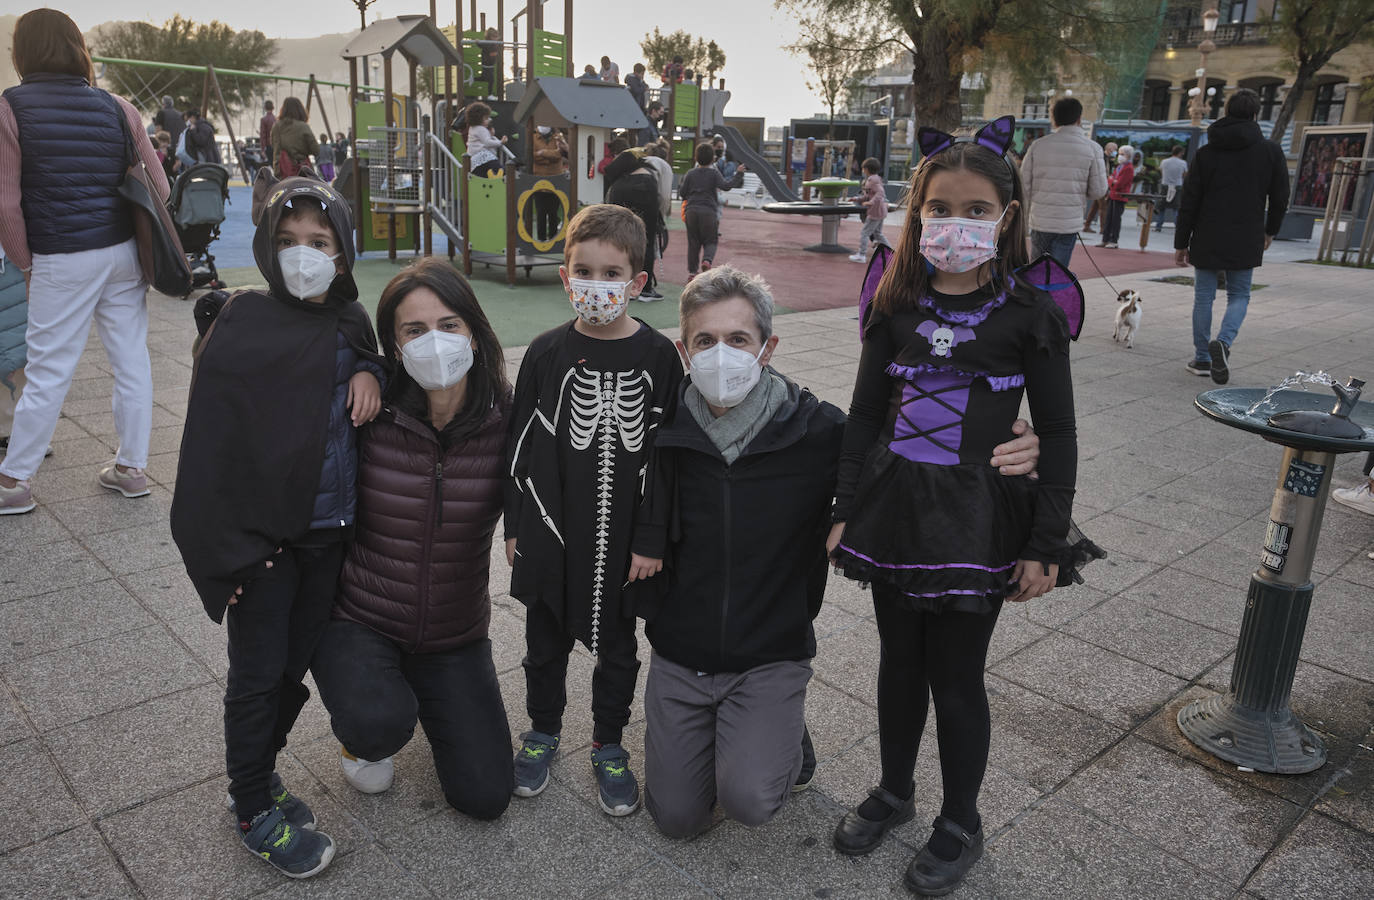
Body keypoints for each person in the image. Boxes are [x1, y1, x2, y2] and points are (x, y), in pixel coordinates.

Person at [827, 121, 1077, 896]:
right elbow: (865, 414)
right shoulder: (894, 302)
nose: (955, 222)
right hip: (897, 510)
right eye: (940, 207)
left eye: (975, 208)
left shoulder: (1030, 313)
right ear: (917, 212)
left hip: (978, 518)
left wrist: (1044, 541)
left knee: (957, 676)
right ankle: (895, 791)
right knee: (898, 661)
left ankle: (960, 819)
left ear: (1005, 217)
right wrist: (844, 505)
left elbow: (1060, 429)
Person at [170, 178, 383, 878]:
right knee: (258, 675)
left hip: (327, 535)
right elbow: (210, 448)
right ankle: (251, 802)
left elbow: (367, 370)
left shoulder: (353, 323)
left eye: (319, 244)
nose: (303, 256)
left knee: (292, 668)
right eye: (288, 242)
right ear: (265, 248)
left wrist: (372, 372)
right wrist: (226, 556)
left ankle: (257, 773)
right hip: (262, 548)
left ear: (344, 253)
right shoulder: (242, 323)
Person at [641, 266, 844, 837]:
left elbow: (896, 462)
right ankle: (730, 731)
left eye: (738, 340)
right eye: (705, 341)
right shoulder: (663, 431)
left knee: (749, 801)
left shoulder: (815, 429)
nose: (721, 354)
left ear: (767, 347)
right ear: (684, 350)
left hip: (769, 651)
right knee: (678, 819)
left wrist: (1017, 440)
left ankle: (781, 735)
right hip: (682, 651)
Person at [311, 258, 514, 819]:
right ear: (394, 348)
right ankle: (369, 723)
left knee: (485, 796)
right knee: (378, 723)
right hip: (361, 617)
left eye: (449, 325)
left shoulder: (508, 418)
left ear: (474, 331)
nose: (435, 341)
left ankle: (423, 697)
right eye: (414, 330)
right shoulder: (367, 413)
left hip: (454, 631)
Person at [504, 204, 683, 817]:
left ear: (637, 282)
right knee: (544, 638)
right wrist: (515, 525)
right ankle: (543, 730)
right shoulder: (546, 352)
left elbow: (666, 455)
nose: (597, 285)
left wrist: (653, 537)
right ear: (565, 275)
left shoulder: (661, 358)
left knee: (620, 647)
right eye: (585, 270)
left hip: (629, 538)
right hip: (554, 528)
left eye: (613, 273)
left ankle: (609, 741)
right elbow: (520, 445)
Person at [0, 8, 166, 515]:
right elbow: (157, 186)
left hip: (60, 255)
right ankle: (131, 469)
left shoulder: (9, 107)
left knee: (49, 368)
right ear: (79, 49)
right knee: (131, 360)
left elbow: (5, 202)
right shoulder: (119, 107)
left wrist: (26, 265)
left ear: (22, 52)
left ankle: (14, 482)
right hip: (122, 255)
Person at [1176, 88, 1288, 384]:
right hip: (1246, 233)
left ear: (1226, 112)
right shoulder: (1271, 151)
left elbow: (1190, 200)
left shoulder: (1206, 152)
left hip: (1207, 233)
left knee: (1204, 297)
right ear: (1255, 114)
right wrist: (1270, 230)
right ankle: (1223, 343)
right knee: (1239, 295)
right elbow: (1280, 198)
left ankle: (1201, 358)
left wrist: (1180, 242)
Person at [1020, 97, 1107, 267]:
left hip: (1041, 219)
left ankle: (1036, 294)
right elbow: (1098, 191)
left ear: (1054, 118)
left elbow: (1023, 184)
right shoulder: (1092, 148)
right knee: (1058, 273)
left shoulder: (1038, 146)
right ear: (1079, 119)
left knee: (1037, 270)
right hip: (1069, 222)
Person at [605, 144, 666, 300]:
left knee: (619, 240)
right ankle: (645, 289)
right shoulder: (648, 172)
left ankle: (618, 281)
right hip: (646, 193)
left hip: (620, 196)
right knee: (646, 240)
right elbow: (663, 198)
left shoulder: (619, 180)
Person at [679, 142, 745, 279]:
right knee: (711, 240)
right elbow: (726, 186)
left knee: (693, 242)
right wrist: (738, 174)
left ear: (696, 158)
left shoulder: (690, 174)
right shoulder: (714, 173)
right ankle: (707, 260)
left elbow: (683, 193)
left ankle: (692, 272)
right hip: (708, 211)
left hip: (691, 211)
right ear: (713, 159)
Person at [529, 125, 568, 242]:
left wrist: (542, 153)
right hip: (538, 180)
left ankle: (553, 238)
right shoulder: (532, 137)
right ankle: (541, 239)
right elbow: (532, 156)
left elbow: (559, 154)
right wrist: (551, 155)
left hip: (555, 180)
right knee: (541, 211)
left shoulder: (558, 137)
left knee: (553, 212)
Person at [851, 157, 890, 263]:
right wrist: (857, 199)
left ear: (867, 169)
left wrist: (870, 202)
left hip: (875, 211)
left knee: (864, 233)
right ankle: (890, 252)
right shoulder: (875, 179)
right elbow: (869, 195)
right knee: (878, 234)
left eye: (863, 168)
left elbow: (880, 193)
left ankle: (861, 255)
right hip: (880, 211)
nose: (862, 170)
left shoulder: (872, 180)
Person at [269, 96, 318, 177]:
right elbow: (316, 150)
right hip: (302, 171)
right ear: (300, 110)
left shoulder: (276, 126)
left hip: (281, 170)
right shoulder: (303, 126)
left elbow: (273, 144)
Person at [1099, 143, 1133, 249]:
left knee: (1115, 219)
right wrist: (1113, 181)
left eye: (1122, 154)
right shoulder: (1119, 166)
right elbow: (1111, 178)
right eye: (1119, 154)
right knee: (1108, 218)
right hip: (1113, 195)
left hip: (1120, 196)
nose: (1120, 156)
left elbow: (1120, 183)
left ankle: (1114, 240)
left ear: (1128, 155)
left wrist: (1113, 181)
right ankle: (1105, 239)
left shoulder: (1128, 168)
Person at [461, 101, 505, 178]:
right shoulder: (481, 129)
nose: (488, 120)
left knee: (482, 177)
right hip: (483, 156)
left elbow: (482, 139)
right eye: (486, 118)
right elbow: (487, 142)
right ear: (478, 119)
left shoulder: (472, 128)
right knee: (499, 170)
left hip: (474, 159)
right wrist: (500, 142)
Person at [1083, 141, 1116, 233]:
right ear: (1110, 149)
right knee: (1103, 207)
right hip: (1102, 184)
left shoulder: (1109, 159)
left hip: (1103, 183)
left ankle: (1087, 225)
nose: (1116, 152)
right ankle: (1103, 229)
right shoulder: (1102, 158)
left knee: (1095, 207)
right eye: (1115, 150)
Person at [1154, 144, 1188, 232]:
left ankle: (1158, 226)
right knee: (1176, 208)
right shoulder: (1183, 163)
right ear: (1180, 153)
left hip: (1165, 186)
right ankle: (1178, 228)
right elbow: (1184, 175)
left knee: (1161, 207)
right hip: (1177, 186)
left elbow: (1162, 172)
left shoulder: (1164, 161)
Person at [478, 28, 501, 98]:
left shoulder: (493, 43)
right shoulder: (488, 43)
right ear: (490, 37)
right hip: (487, 65)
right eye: (495, 37)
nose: (496, 38)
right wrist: (477, 42)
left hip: (490, 65)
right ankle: (489, 94)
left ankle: (473, 79)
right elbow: (481, 45)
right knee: (491, 79)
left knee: (484, 78)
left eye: (497, 37)